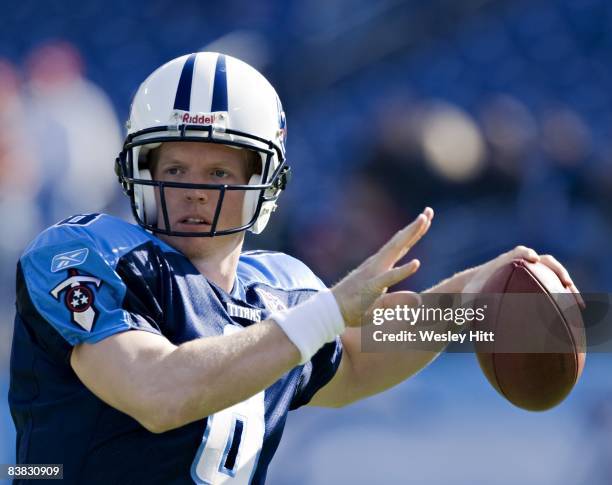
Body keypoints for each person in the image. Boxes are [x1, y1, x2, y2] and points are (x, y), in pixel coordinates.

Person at [9, 52, 578, 484]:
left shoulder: (279, 290)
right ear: (138, 169)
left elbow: (357, 361)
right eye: (175, 165)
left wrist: (474, 296)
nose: (191, 191)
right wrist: (329, 312)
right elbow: (159, 392)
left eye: (219, 174)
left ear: (265, 183)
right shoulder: (83, 255)